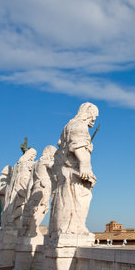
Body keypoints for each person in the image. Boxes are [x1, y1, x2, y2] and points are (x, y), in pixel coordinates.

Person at [49, 102, 98, 238]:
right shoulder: (79, 125)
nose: (94, 119)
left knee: (65, 197)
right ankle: (74, 227)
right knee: (82, 196)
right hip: (74, 170)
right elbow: (77, 146)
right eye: (94, 115)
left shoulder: (69, 125)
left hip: (65, 169)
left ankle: (67, 228)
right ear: (88, 113)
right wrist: (85, 165)